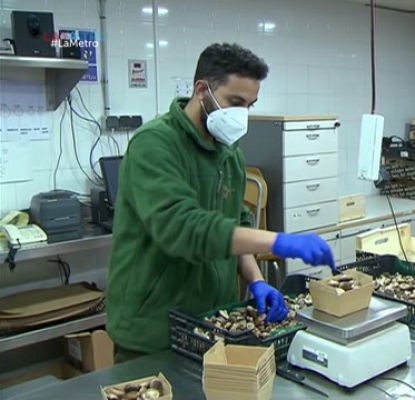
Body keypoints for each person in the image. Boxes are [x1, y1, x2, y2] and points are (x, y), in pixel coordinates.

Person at [106, 43, 335, 361]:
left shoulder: (230, 155)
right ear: (202, 90)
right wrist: (279, 241)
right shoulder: (155, 144)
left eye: (249, 106)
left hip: (215, 322)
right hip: (155, 330)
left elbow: (235, 224)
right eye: (235, 102)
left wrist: (256, 280)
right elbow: (185, 229)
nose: (241, 115)